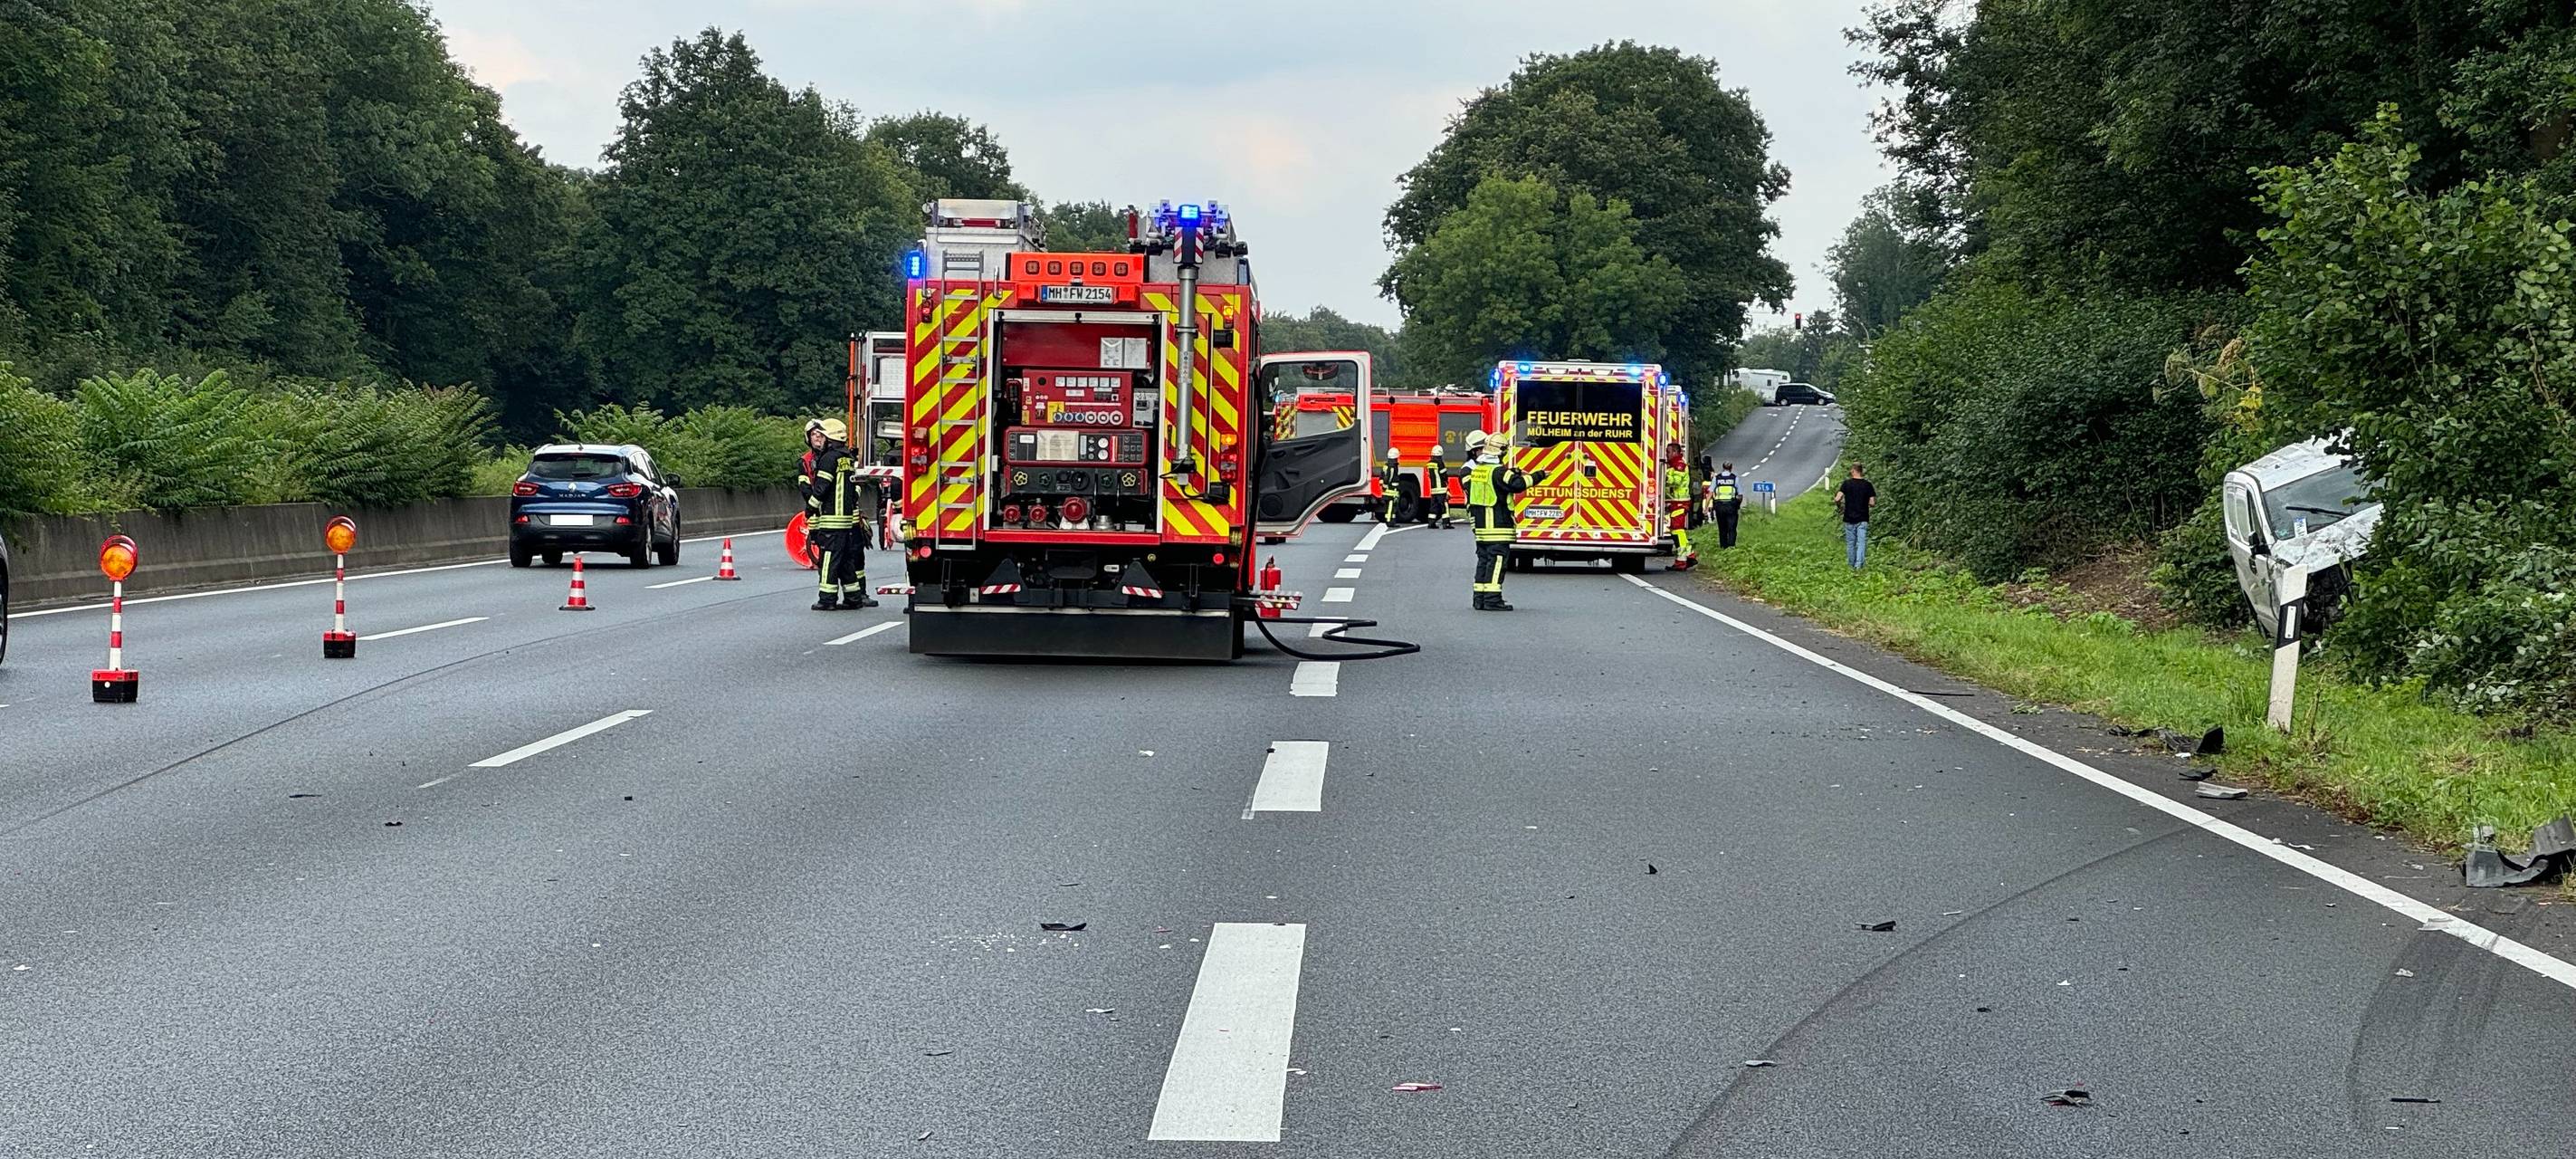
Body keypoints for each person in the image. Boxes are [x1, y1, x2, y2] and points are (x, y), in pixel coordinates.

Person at [1449, 430, 1531, 611]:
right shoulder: (1468, 470)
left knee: (1485, 560)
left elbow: (1495, 478)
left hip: (1483, 521)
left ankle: (1480, 598)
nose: (1484, 451)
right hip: (1489, 520)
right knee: (1494, 561)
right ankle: (1491, 599)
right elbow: (1491, 484)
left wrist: (1512, 472)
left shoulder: (1479, 468)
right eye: (1481, 449)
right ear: (1473, 451)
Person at [806, 417, 876, 610]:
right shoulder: (848, 458)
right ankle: (853, 597)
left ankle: (827, 599)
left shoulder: (829, 459)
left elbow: (821, 488)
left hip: (832, 520)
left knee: (828, 559)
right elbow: (855, 489)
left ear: (830, 437)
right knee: (845, 559)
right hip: (847, 519)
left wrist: (810, 508)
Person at [1662, 441, 1699, 570]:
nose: (1666, 454)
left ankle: (1684, 559)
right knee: (1676, 530)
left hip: (1680, 502)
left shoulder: (1679, 465)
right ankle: (1687, 556)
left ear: (1676, 452)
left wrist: (1662, 476)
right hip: (1676, 502)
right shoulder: (1673, 465)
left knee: (1677, 530)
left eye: (1668, 452)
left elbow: (1675, 482)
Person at [1834, 463, 1875, 570]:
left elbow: (1837, 498)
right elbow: (1872, 503)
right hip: (1862, 518)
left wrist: (1840, 507)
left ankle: (1851, 565)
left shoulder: (1846, 484)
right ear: (1861, 471)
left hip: (1849, 517)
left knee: (1851, 543)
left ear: (1853, 470)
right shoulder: (1868, 485)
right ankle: (1859, 565)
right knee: (1861, 542)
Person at [1709, 460, 1742, 549]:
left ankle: (1723, 546)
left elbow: (1710, 492)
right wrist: (1737, 505)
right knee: (1732, 527)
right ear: (1731, 468)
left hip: (1719, 506)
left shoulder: (1717, 478)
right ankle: (1731, 546)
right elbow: (1740, 495)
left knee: (1722, 527)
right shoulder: (1735, 478)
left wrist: (1706, 507)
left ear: (1723, 468)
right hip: (1731, 506)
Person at [1422, 445, 1455, 529]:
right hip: (1441, 489)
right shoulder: (1440, 463)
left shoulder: (1429, 464)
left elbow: (1429, 474)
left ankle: (1431, 523)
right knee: (1444, 505)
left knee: (1434, 506)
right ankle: (1446, 523)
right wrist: (1447, 485)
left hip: (1433, 489)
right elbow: (1444, 475)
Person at [1376, 447, 1407, 524]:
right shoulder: (1392, 467)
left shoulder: (1386, 466)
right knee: (1390, 506)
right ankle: (1389, 521)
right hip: (1392, 490)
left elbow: (1382, 477)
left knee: (1392, 506)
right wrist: (1386, 485)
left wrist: (1383, 486)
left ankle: (1392, 521)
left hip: (1387, 491)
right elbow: (1388, 477)